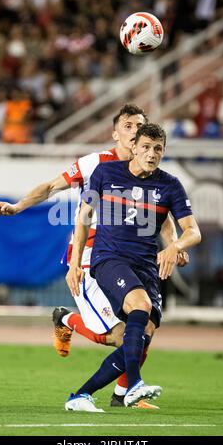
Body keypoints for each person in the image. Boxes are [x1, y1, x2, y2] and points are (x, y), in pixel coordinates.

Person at [0, 104, 188, 408]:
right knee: (120, 335)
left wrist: (174, 245)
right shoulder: (97, 164)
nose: (135, 132)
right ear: (116, 133)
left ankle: (124, 394)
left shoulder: (153, 174)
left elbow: (160, 219)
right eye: (129, 126)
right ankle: (67, 321)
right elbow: (50, 188)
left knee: (142, 328)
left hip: (136, 256)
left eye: (140, 126)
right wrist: (17, 207)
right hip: (94, 255)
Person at [65, 122, 201, 412]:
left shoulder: (170, 185)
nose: (152, 154)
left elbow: (193, 231)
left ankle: (80, 395)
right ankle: (134, 387)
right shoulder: (105, 173)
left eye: (158, 149)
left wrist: (175, 246)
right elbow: (83, 218)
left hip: (146, 267)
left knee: (141, 338)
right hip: (109, 259)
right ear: (134, 148)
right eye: (147, 147)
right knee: (140, 306)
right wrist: (75, 263)